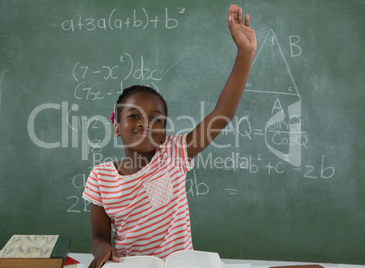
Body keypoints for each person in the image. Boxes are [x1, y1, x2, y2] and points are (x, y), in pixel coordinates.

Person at [82, 3, 257, 268]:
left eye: (156, 120)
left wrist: (246, 52)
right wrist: (103, 248)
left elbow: (222, 114)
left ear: (164, 133)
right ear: (117, 127)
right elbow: (98, 236)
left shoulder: (174, 153)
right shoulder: (101, 178)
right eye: (133, 116)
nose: (145, 124)